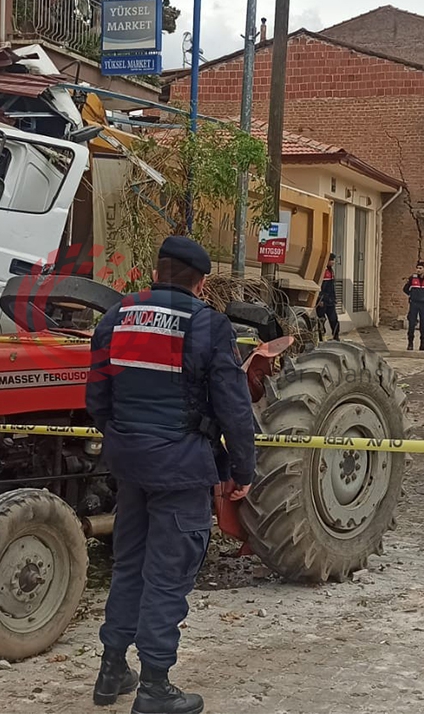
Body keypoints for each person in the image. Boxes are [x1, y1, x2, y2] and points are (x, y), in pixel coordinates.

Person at [86, 235, 257, 714]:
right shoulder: (208, 325)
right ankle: (155, 687)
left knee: (130, 567)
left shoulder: (114, 317)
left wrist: (127, 441)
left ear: (157, 271)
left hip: (130, 466)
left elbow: (96, 399)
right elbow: (233, 407)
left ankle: (112, 669)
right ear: (201, 282)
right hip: (181, 471)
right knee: (167, 575)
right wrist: (242, 468)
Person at [404, 260, 424, 351]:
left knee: (423, 324)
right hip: (414, 303)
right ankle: (410, 343)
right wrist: (413, 295)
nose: (418, 270)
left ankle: (423, 344)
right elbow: (405, 289)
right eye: (417, 268)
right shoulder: (412, 278)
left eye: (420, 268)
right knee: (412, 323)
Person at [316, 253, 339, 341]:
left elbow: (331, 288)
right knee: (321, 320)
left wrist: (334, 299)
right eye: (331, 260)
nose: (333, 262)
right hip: (323, 301)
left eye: (333, 260)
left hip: (330, 301)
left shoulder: (331, 271)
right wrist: (320, 299)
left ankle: (336, 336)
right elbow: (320, 287)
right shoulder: (323, 271)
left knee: (334, 319)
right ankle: (322, 337)